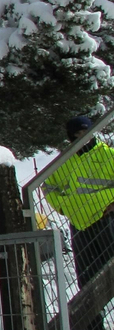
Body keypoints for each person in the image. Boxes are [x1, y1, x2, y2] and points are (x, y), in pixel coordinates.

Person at [44, 116, 114, 309]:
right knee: (87, 280)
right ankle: (92, 324)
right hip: (80, 224)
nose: (83, 137)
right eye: (77, 134)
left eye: (86, 132)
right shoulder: (64, 161)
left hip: (107, 219)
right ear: (71, 137)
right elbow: (48, 186)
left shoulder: (108, 155)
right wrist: (62, 206)